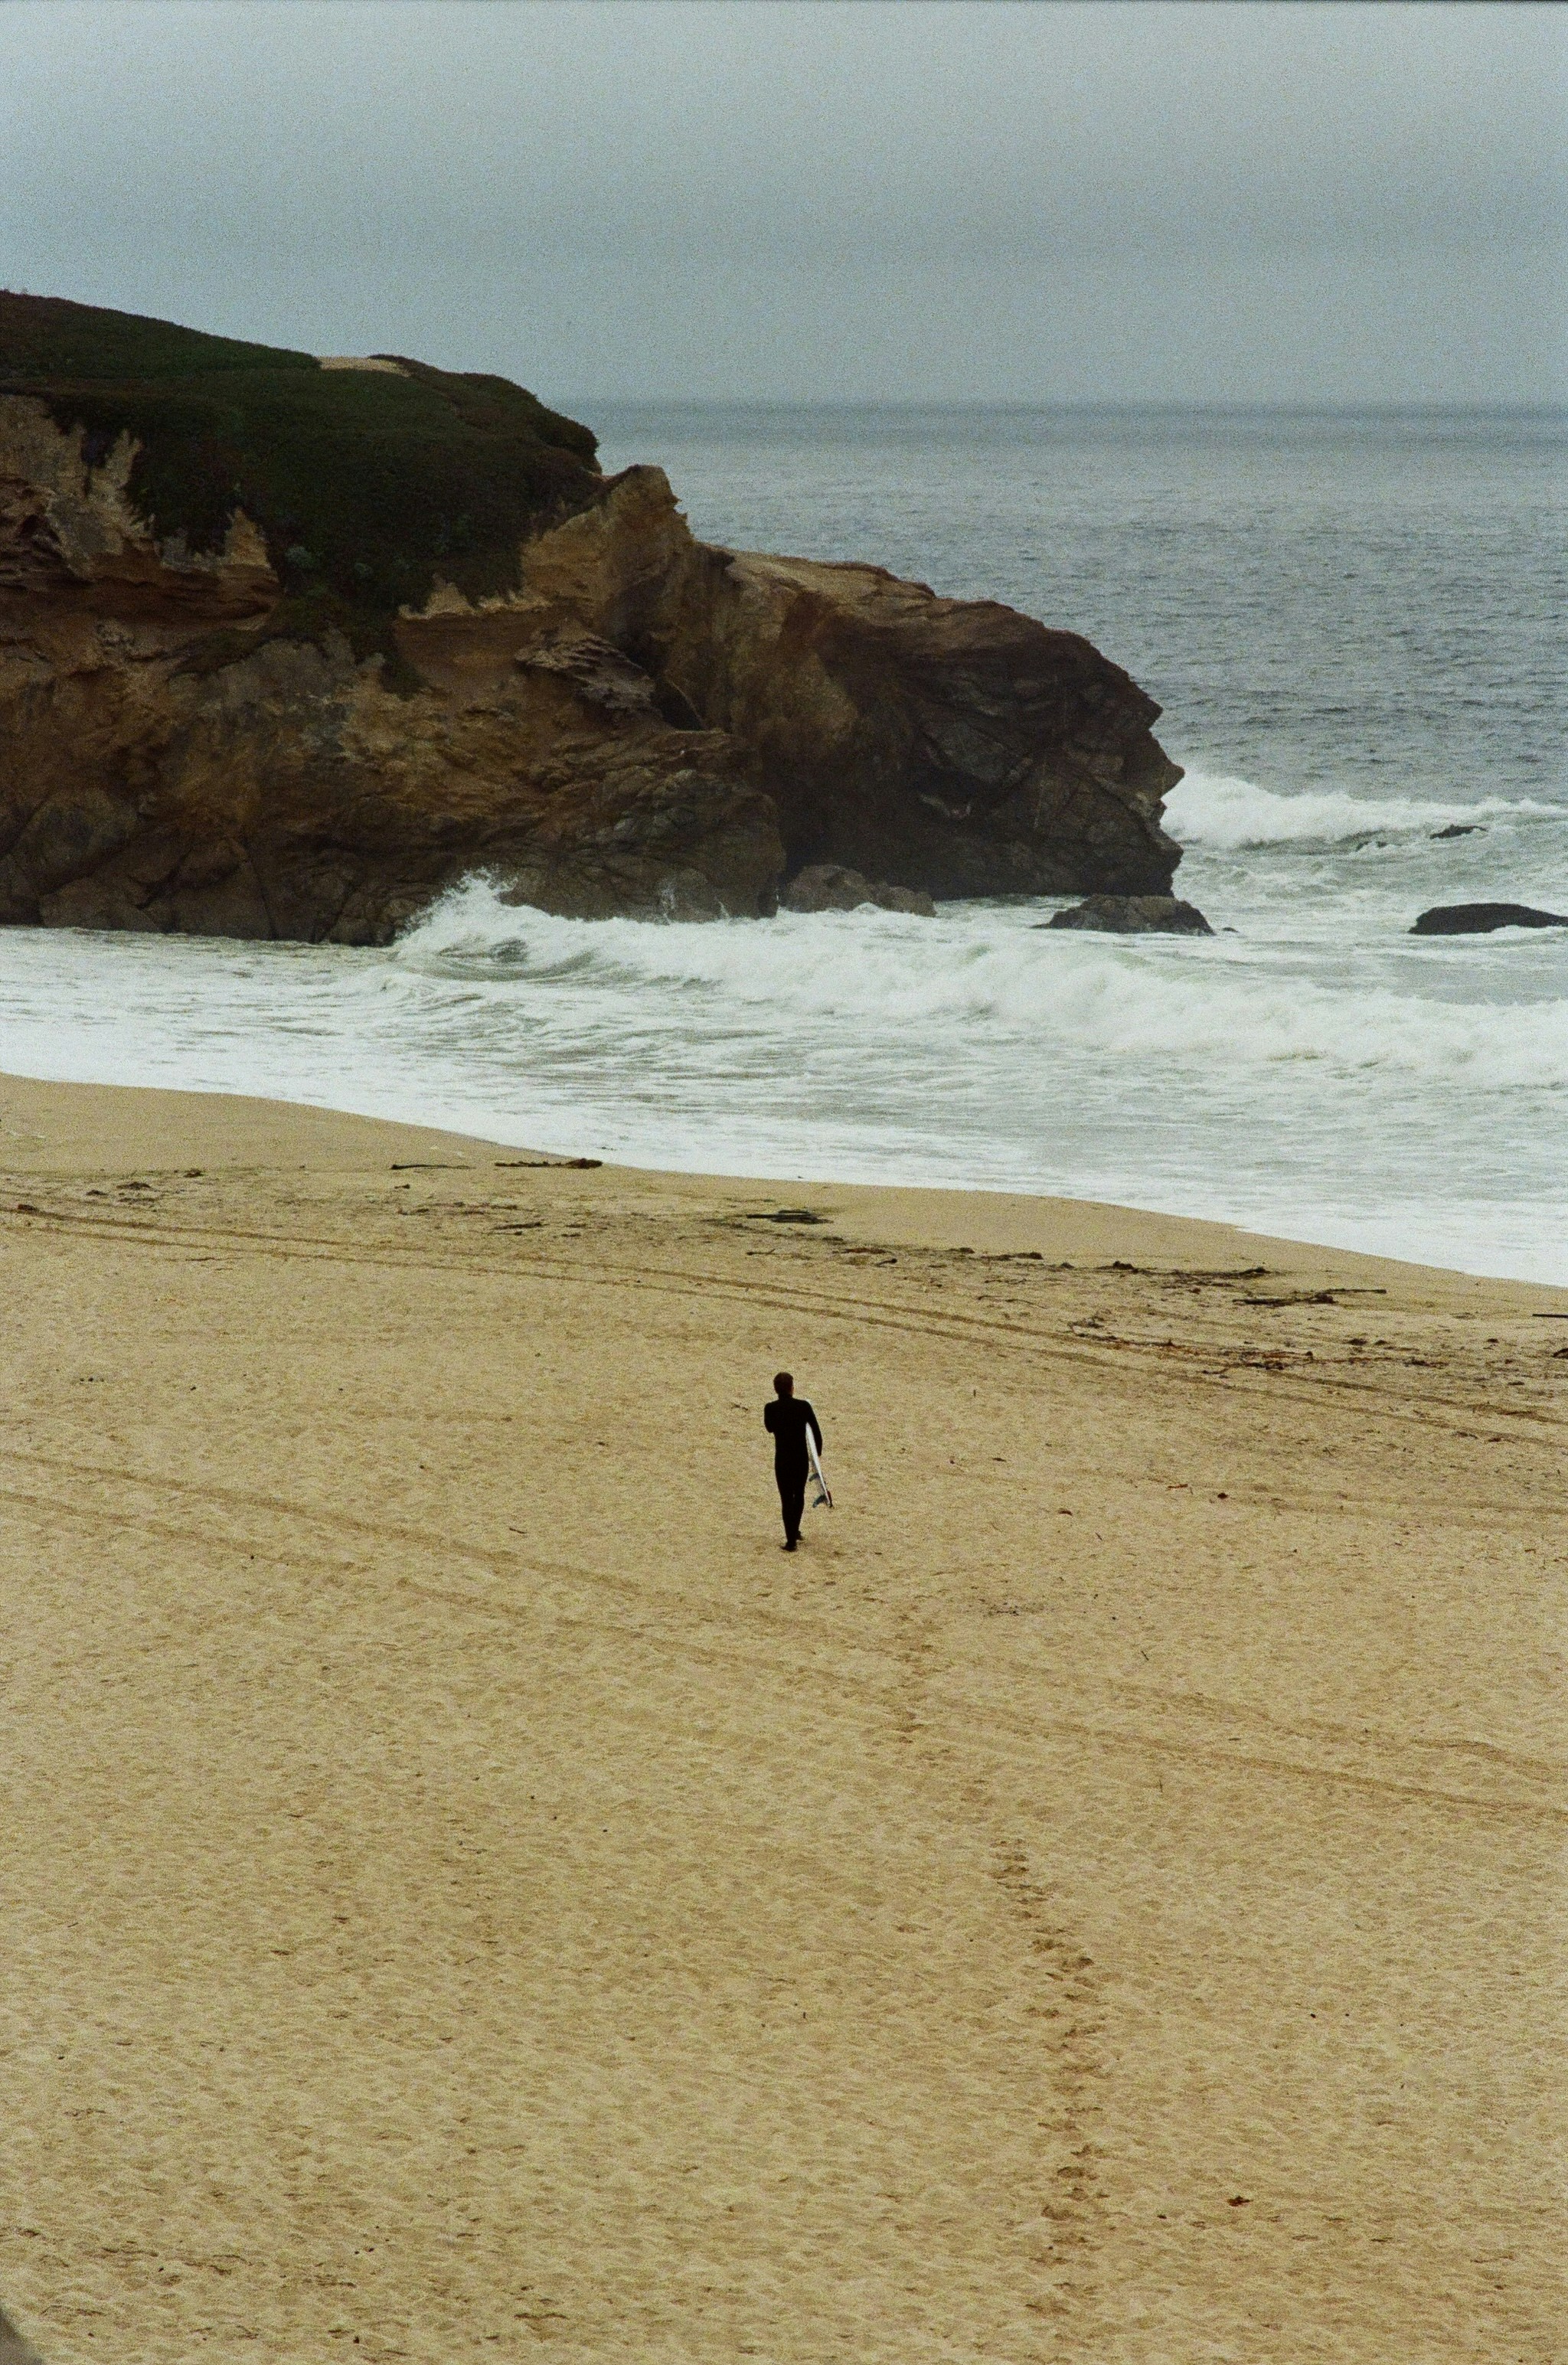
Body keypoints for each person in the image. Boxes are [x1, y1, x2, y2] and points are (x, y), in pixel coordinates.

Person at [763, 1371, 822, 1551]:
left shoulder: (770, 1408)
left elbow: (769, 1428)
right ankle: (795, 1529)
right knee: (799, 1495)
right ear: (792, 1388)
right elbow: (816, 1433)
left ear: (775, 1389)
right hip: (800, 1459)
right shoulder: (804, 1407)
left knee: (786, 1499)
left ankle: (791, 1542)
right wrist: (817, 1456)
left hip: (782, 1460)